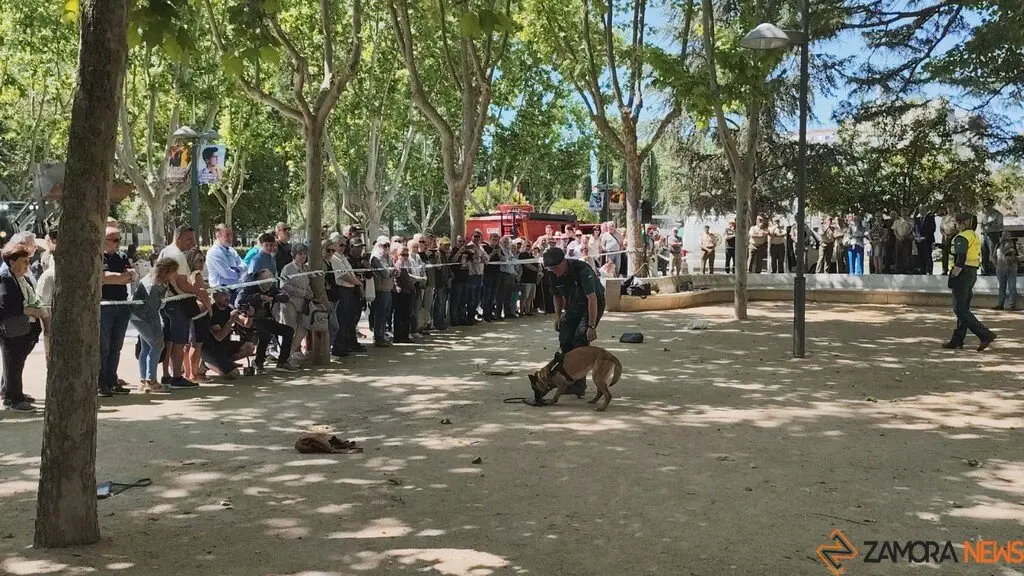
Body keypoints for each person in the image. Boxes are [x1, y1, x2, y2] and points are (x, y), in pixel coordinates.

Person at [543, 247, 606, 397]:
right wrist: (558, 316)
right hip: (572, 305)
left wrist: (591, 326)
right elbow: (557, 295)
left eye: (556, 267)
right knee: (565, 340)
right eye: (551, 269)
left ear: (564, 261)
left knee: (580, 340)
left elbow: (592, 299)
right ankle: (568, 380)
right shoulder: (552, 273)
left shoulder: (583, 270)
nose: (554, 271)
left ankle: (579, 385)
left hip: (591, 304)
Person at [158, 225, 203, 389]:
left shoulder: (165, 251)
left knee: (169, 340)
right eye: (189, 239)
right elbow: (182, 284)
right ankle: (177, 377)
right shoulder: (177, 255)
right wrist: (199, 291)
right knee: (178, 341)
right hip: (176, 302)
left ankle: (166, 375)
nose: (192, 243)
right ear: (178, 237)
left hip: (165, 302)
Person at [944, 213, 996, 351]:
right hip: (971, 273)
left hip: (963, 274)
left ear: (961, 223)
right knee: (963, 309)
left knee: (959, 309)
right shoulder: (973, 235)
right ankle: (957, 340)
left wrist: (953, 276)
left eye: (956, 222)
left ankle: (985, 334)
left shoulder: (962, 237)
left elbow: (960, 260)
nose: (955, 225)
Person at [0, 246, 43, 411]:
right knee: (13, 364)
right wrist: (27, 310)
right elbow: (5, 305)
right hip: (13, 329)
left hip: (24, 328)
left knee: (17, 364)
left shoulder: (21, 278)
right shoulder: (6, 279)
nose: (28, 264)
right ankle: (14, 399)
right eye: (24, 261)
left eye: (28, 260)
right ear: (12, 262)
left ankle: (14, 393)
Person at [235, 269, 298, 373]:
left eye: (270, 280)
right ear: (259, 280)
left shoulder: (272, 288)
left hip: (265, 320)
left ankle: (282, 362)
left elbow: (285, 296)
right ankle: (258, 362)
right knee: (265, 334)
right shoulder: (249, 287)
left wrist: (272, 298)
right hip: (250, 320)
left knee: (289, 331)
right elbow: (239, 302)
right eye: (266, 281)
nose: (269, 283)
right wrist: (259, 297)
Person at [130, 258, 177, 394]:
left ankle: (143, 379)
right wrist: (158, 334)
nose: (176, 275)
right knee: (157, 345)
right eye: (174, 272)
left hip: (138, 316)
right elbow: (152, 312)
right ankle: (151, 380)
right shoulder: (154, 286)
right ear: (166, 271)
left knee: (146, 347)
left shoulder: (155, 281)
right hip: (142, 317)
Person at [100, 227, 135, 397]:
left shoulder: (122, 256)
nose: (118, 243)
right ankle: (101, 382)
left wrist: (118, 278)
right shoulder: (99, 257)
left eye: (119, 239)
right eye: (114, 239)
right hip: (104, 307)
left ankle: (112, 380)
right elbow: (103, 278)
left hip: (122, 306)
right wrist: (121, 277)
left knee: (116, 346)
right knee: (103, 347)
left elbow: (132, 275)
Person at [204, 289, 256, 379]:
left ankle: (226, 363)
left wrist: (250, 315)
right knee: (233, 374)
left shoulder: (229, 309)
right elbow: (219, 337)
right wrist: (231, 320)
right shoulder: (212, 312)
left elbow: (246, 324)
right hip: (212, 349)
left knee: (249, 346)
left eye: (229, 295)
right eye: (224, 294)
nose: (228, 297)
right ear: (215, 297)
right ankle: (208, 363)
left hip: (225, 346)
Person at [279, 243, 313, 361]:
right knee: (289, 330)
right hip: (290, 303)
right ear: (294, 255)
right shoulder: (287, 268)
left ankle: (290, 352)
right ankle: (285, 357)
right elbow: (284, 286)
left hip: (302, 304)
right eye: (300, 254)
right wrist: (301, 293)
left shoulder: (306, 268)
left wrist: (309, 292)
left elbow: (308, 283)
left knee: (303, 328)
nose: (302, 256)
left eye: (304, 254)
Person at [331, 237, 364, 357]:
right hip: (342, 290)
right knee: (342, 320)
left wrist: (358, 284)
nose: (342, 247)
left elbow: (350, 273)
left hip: (350, 289)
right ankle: (338, 347)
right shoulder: (334, 258)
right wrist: (359, 283)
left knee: (348, 320)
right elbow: (344, 275)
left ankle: (344, 345)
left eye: (344, 245)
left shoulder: (342, 257)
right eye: (340, 245)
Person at [184, 249, 212, 384]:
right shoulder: (197, 275)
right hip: (200, 313)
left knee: (190, 344)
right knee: (196, 344)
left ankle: (189, 373)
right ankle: (194, 374)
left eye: (203, 260)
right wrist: (210, 309)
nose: (201, 263)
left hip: (192, 312)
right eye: (198, 261)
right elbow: (203, 294)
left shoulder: (187, 275)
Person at [369, 236, 395, 347]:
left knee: (385, 313)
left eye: (388, 245)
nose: (386, 247)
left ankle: (382, 335)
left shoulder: (388, 257)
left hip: (388, 288)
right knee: (380, 314)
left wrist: (391, 270)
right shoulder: (376, 257)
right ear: (379, 245)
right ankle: (378, 337)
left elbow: (395, 270)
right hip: (380, 289)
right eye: (384, 245)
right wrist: (391, 270)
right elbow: (386, 273)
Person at [206, 223, 246, 290]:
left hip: (235, 288)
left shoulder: (231, 250)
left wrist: (236, 270)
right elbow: (227, 274)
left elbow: (244, 266)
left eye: (231, 235)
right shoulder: (213, 253)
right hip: (220, 291)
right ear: (218, 235)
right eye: (227, 235)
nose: (230, 238)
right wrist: (239, 271)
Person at [993, 231, 1019, 312]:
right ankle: (1000, 305)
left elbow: (1021, 255)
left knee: (1012, 287)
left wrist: (1012, 258)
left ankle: (1012, 305)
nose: (1004, 236)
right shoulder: (998, 245)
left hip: (1011, 269)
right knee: (1001, 287)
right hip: (1000, 269)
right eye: (1002, 235)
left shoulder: (1015, 244)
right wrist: (996, 266)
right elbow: (994, 256)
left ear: (1010, 236)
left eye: (1006, 235)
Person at [979, 201, 1003, 276]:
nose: (986, 207)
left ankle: (997, 271)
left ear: (991, 205)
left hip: (993, 235)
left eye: (988, 206)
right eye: (985, 206)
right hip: (984, 234)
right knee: (984, 253)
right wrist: (983, 225)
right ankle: (984, 271)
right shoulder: (983, 214)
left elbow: (1001, 226)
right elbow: (981, 225)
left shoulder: (997, 214)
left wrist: (992, 224)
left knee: (994, 253)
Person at [913, 208, 937, 275]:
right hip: (919, 241)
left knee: (928, 256)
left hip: (927, 240)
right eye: (920, 210)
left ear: (926, 211)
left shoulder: (930, 218)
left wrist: (925, 237)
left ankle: (929, 271)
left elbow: (932, 229)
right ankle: (922, 271)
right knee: (920, 257)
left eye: (923, 210)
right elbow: (915, 229)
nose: (922, 211)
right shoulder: (917, 219)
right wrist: (917, 237)